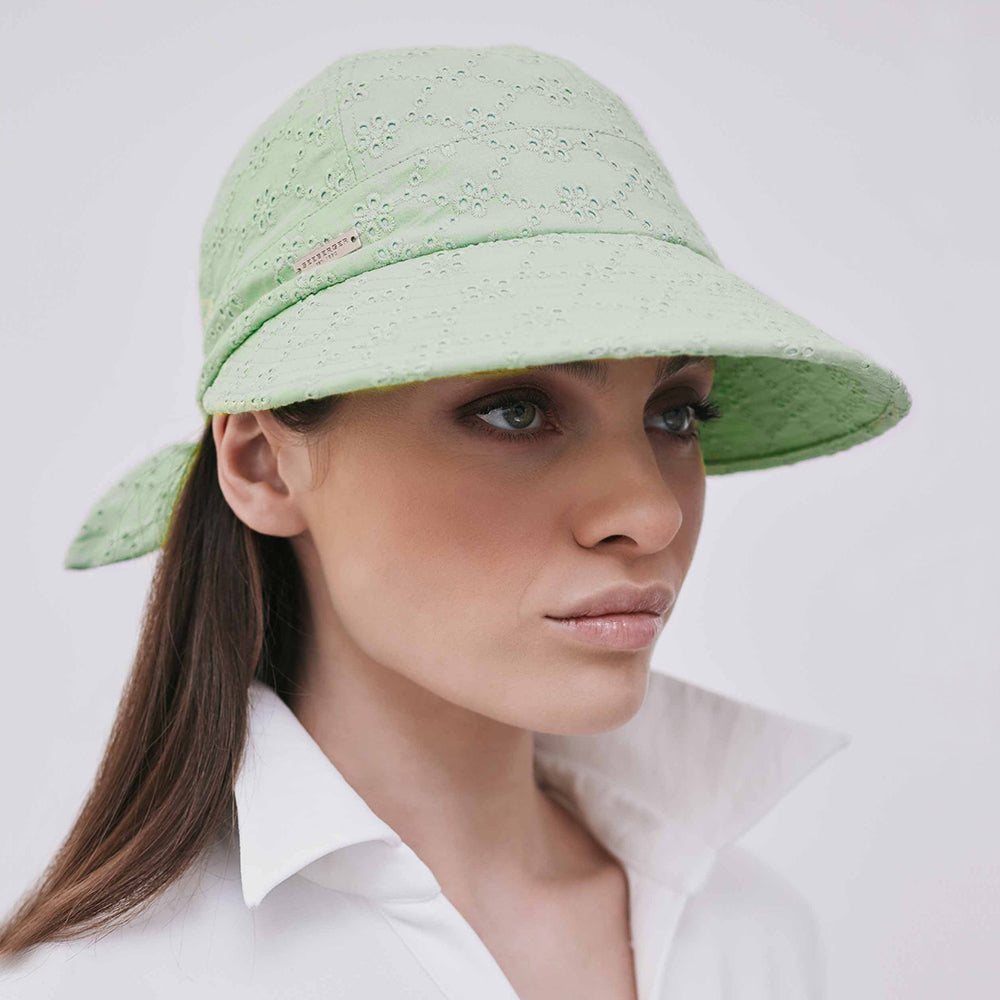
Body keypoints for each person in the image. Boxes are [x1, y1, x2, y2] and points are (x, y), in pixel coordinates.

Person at [0, 43, 911, 999]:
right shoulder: (108, 984)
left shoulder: (751, 938)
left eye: (675, 414)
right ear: (264, 464)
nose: (650, 512)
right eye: (514, 411)